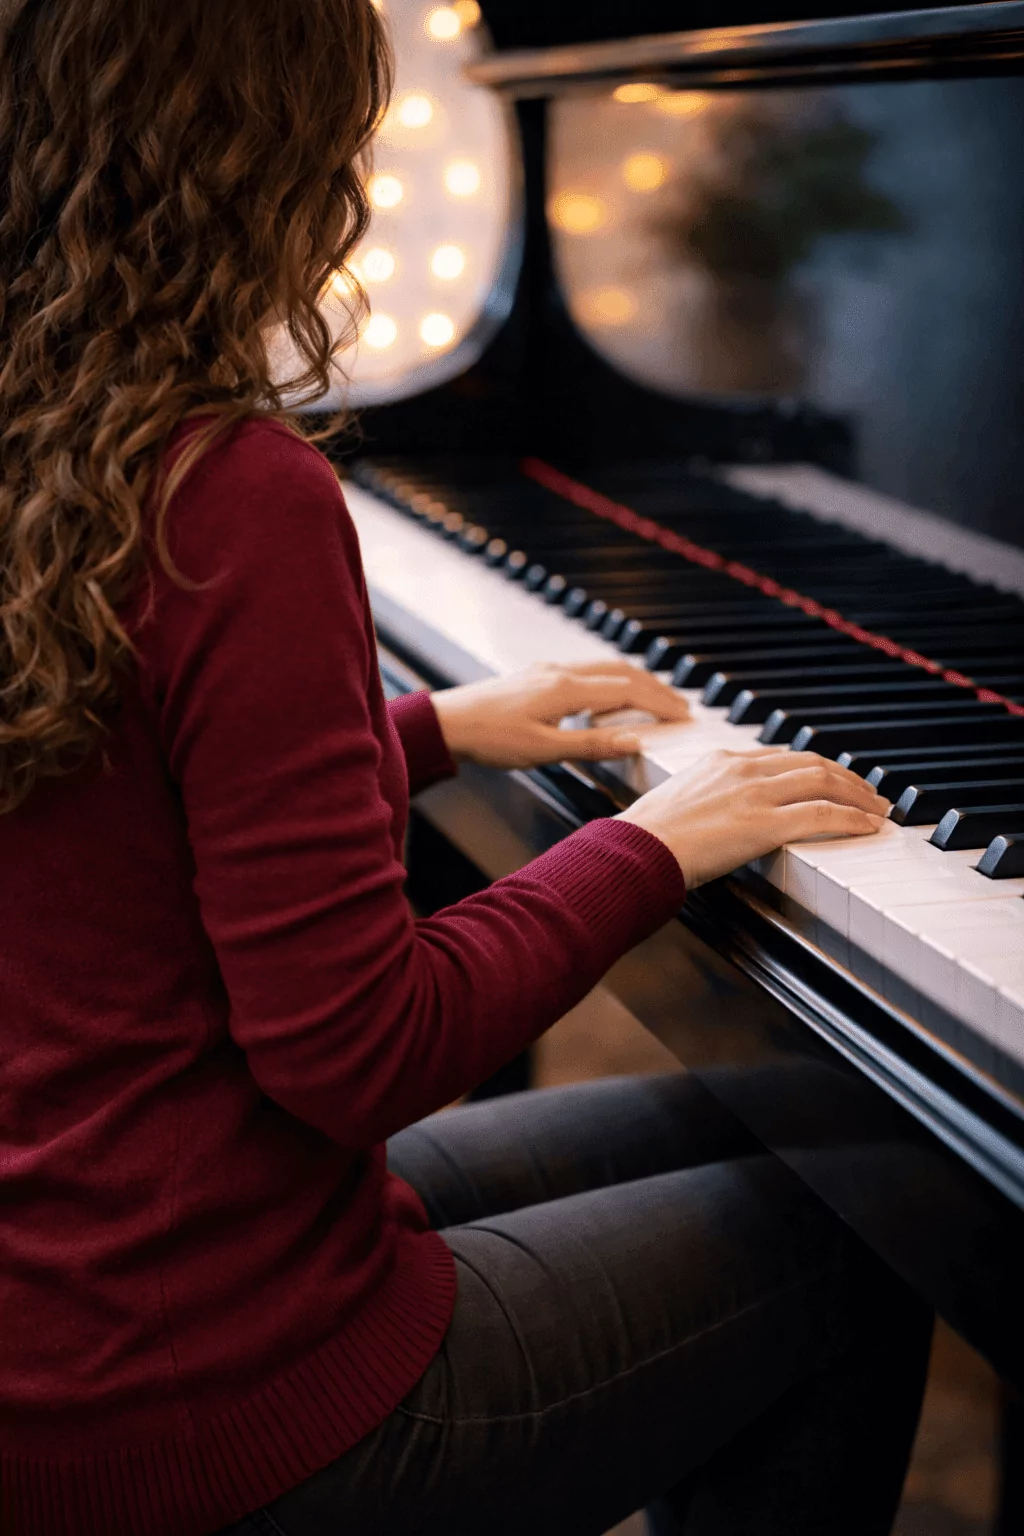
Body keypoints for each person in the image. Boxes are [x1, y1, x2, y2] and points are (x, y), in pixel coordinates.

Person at [0, 3, 931, 1534]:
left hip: (72, 1313)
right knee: (872, 1231)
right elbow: (357, 1055)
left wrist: (422, 730)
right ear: (268, 168)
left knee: (811, 1125)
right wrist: (654, 844)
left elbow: (113, 819)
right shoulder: (229, 495)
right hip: (200, 1410)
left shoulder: (59, 444)